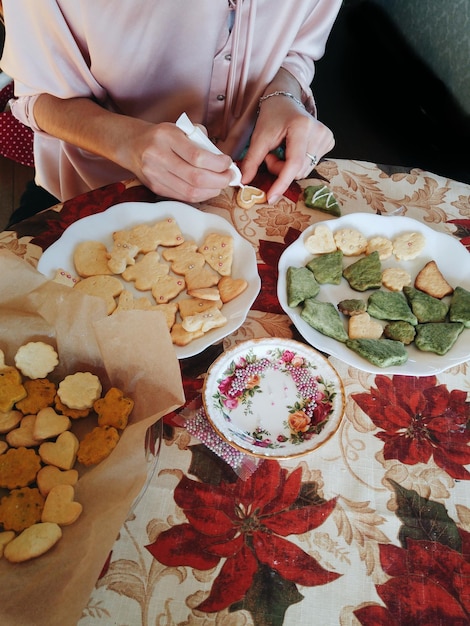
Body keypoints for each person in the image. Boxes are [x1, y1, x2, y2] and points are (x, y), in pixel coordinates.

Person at [0, 0, 342, 217]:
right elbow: (35, 98)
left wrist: (284, 94)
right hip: (99, 196)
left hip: (252, 193)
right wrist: (127, 143)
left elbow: (297, 50)